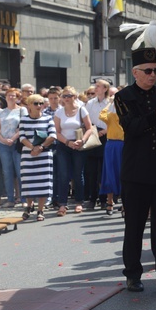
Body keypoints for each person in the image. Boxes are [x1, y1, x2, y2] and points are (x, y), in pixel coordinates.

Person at [115, 46, 156, 294]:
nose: (153, 75)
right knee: (134, 226)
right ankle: (132, 274)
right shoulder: (123, 97)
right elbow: (132, 128)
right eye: (148, 71)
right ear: (135, 72)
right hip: (135, 172)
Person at [53, 86, 93, 216]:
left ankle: (79, 202)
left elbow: (89, 128)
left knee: (78, 174)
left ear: (75, 97)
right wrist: (67, 142)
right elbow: (57, 132)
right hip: (64, 145)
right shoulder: (59, 112)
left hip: (78, 144)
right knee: (63, 175)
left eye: (69, 96)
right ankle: (62, 204)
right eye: (64, 96)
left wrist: (82, 140)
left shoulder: (82, 110)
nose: (66, 98)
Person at [18, 94, 56, 221]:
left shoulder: (48, 118)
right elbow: (22, 137)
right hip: (28, 154)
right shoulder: (24, 119)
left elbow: (52, 135)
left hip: (44, 154)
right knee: (28, 181)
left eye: (41, 103)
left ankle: (40, 209)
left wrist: (41, 147)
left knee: (43, 182)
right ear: (29, 105)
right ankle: (29, 206)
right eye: (36, 103)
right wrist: (32, 148)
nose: (39, 106)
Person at [0, 88, 27, 208]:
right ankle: (10, 199)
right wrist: (3, 140)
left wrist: (12, 139)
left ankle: (24, 198)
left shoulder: (21, 110)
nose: (11, 97)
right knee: (7, 172)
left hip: (17, 144)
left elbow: (23, 126)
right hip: (3, 145)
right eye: (9, 95)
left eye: (14, 95)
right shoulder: (1, 112)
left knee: (20, 172)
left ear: (18, 98)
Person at [84, 79, 110, 209]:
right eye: (96, 86)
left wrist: (105, 131)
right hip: (93, 134)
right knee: (91, 170)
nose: (96, 88)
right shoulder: (90, 103)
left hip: (106, 136)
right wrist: (93, 130)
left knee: (103, 170)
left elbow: (115, 120)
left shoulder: (110, 102)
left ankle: (104, 199)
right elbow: (86, 119)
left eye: (99, 86)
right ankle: (92, 198)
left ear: (105, 89)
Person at [99, 94, 123, 216]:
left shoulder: (128, 115)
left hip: (125, 145)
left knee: (124, 174)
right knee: (110, 173)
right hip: (112, 145)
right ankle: (110, 202)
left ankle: (125, 204)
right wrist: (110, 102)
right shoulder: (112, 116)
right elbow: (101, 115)